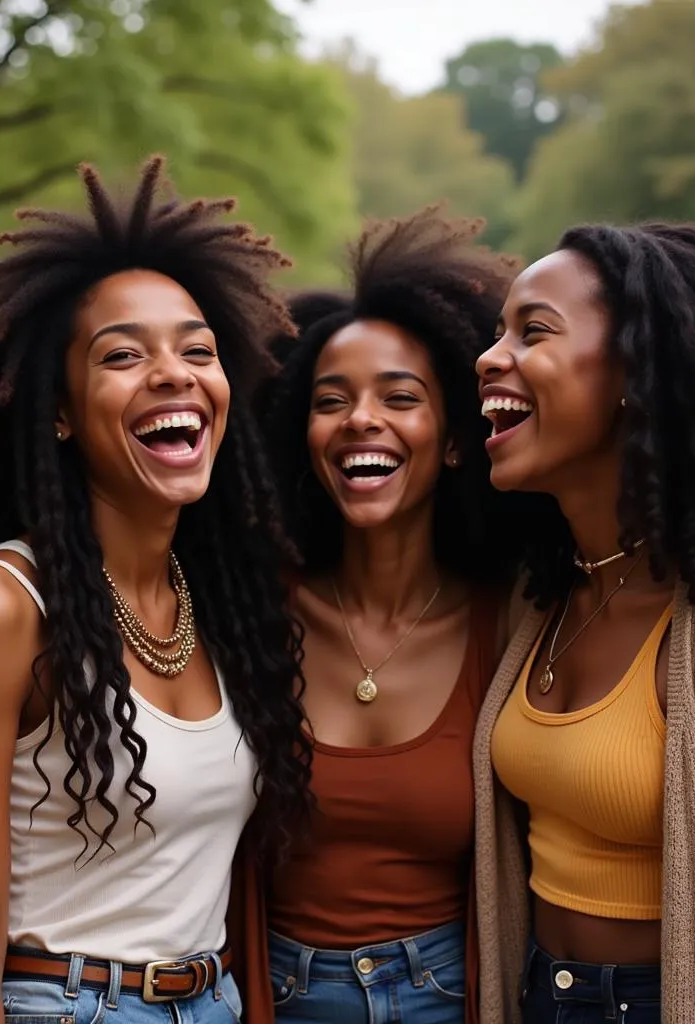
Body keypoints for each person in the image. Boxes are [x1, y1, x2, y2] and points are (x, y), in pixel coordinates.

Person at [0, 156, 311, 1024]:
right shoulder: (2, 609)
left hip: (213, 998)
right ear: (59, 410)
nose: (173, 373)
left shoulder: (221, 600)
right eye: (123, 355)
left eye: (198, 350)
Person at [238, 210, 523, 1024]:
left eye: (400, 397)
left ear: (457, 439)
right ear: (306, 433)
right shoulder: (255, 613)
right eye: (333, 401)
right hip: (278, 993)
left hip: (449, 992)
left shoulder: (509, 621)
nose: (361, 418)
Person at [473, 222, 695, 1024]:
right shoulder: (538, 599)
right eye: (496, 333)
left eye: (534, 331)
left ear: (635, 369)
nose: (490, 358)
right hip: (537, 991)